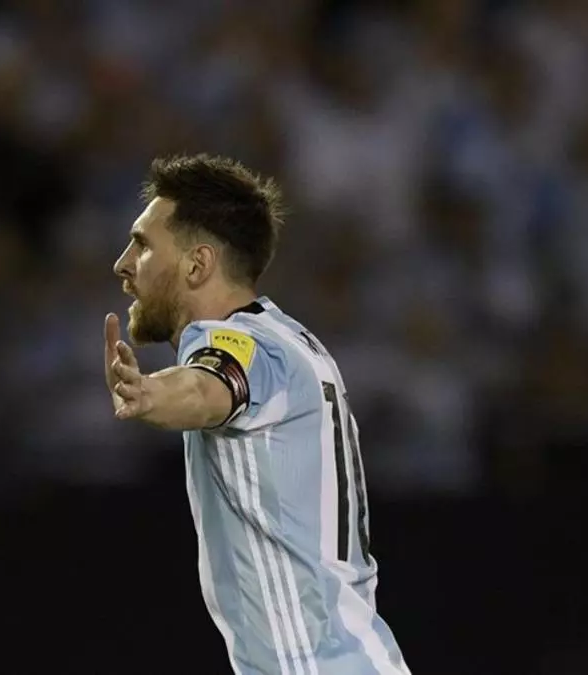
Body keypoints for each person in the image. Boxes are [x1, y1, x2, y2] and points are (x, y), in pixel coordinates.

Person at [105, 154, 411, 675]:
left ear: (198, 264)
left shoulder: (241, 342)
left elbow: (210, 385)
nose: (123, 263)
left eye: (143, 244)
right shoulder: (288, 340)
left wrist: (150, 394)